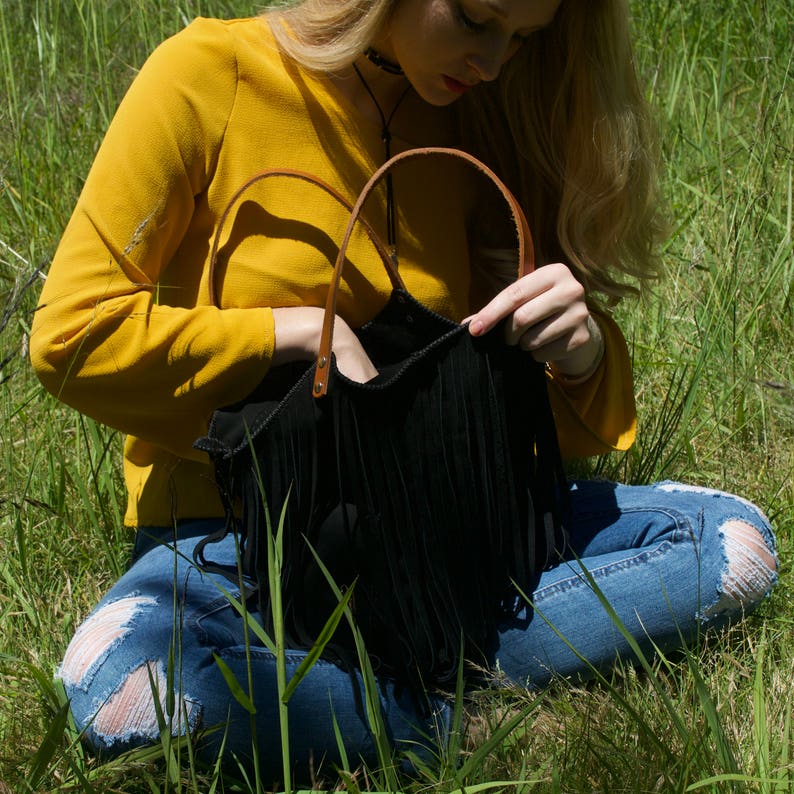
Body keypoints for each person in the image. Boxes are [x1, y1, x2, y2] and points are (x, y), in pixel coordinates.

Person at [30, 0, 778, 783]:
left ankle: (383, 698)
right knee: (123, 690)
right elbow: (71, 337)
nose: (493, 61)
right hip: (239, 543)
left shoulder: (473, 116)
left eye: (523, 39)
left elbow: (516, 439)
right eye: (476, 18)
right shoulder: (209, 77)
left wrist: (580, 355)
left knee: (731, 544)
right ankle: (458, 687)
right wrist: (297, 335)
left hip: (446, 529)